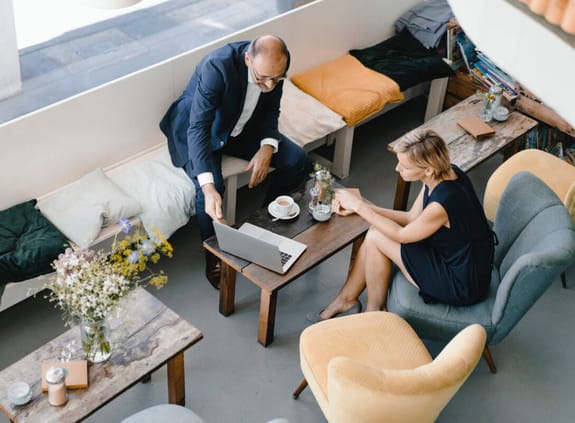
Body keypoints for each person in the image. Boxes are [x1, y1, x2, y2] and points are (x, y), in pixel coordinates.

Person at [160, 35, 309, 290]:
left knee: (297, 160)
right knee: (211, 188)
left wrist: (266, 146)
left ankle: (263, 226)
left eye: (277, 79)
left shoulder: (275, 66)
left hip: (241, 126)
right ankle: (215, 253)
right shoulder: (216, 67)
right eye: (263, 78)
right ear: (248, 59)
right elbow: (198, 127)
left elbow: (271, 109)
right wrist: (207, 187)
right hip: (199, 131)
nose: (271, 85)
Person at [307, 129, 495, 322]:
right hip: (455, 260)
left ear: (428, 168)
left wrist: (360, 206)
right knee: (375, 233)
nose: (397, 169)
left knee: (375, 236)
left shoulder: (442, 203)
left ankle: (373, 312)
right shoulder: (444, 173)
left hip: (462, 282)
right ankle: (349, 301)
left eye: (404, 166)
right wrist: (363, 208)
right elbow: (411, 218)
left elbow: (402, 235)